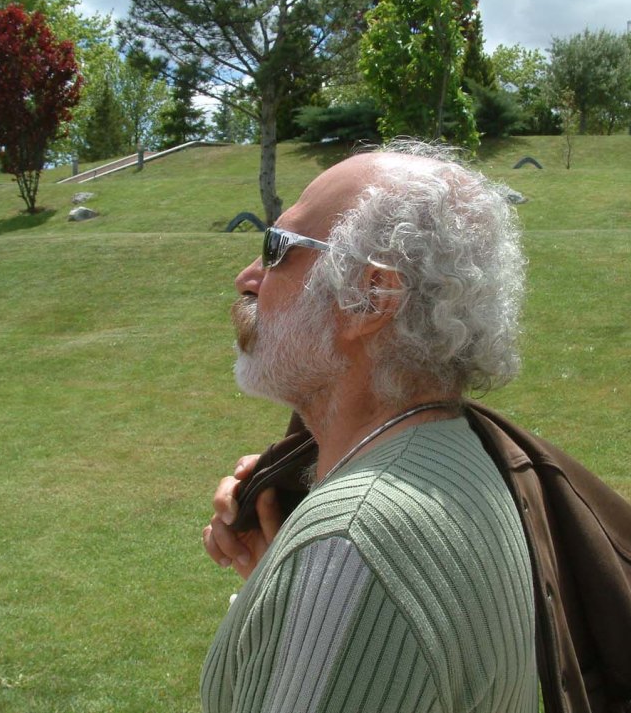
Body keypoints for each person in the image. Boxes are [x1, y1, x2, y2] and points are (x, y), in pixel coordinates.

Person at [201, 140, 537, 713]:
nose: (246, 277)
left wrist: (326, 574)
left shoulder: (352, 541)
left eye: (276, 248)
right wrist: (286, 589)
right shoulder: (464, 455)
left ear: (369, 298)